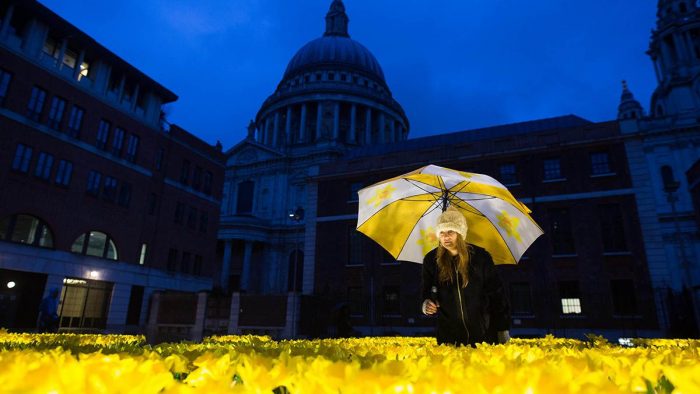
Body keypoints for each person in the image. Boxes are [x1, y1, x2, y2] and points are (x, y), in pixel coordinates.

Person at [421, 205, 511, 346]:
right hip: (450, 339)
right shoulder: (431, 260)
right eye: (442, 232)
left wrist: (502, 328)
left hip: (484, 337)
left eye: (451, 231)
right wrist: (427, 303)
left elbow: (497, 295)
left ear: (461, 233)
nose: (445, 237)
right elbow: (427, 289)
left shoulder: (481, 257)